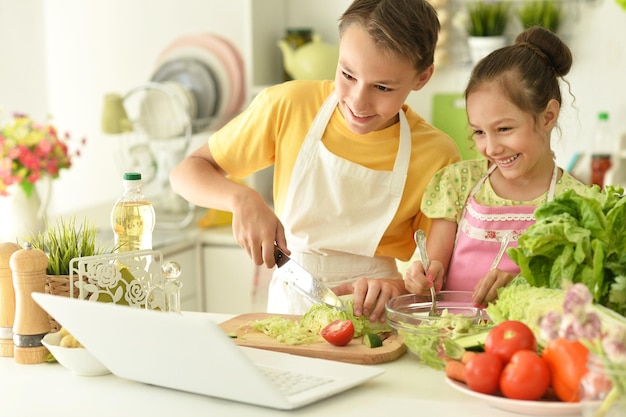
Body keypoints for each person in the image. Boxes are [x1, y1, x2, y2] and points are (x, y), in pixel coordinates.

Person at [169, 0, 460, 321]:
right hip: (292, 304)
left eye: (382, 87)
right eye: (348, 74)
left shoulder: (437, 154)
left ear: (422, 77)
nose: (358, 102)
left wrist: (398, 289)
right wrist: (241, 198)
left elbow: (432, 284)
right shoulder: (288, 105)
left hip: (378, 316)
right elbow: (186, 173)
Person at [404, 26, 590, 308]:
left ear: (548, 116)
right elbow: (433, 265)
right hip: (451, 335)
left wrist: (523, 284)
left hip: (525, 346)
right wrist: (422, 276)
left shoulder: (576, 203)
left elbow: (573, 296)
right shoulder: (459, 182)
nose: (491, 148)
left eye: (504, 129)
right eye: (479, 132)